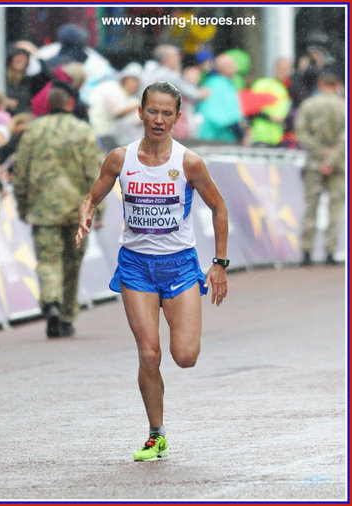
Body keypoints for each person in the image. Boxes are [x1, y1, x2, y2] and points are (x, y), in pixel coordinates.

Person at [75, 81, 229, 461]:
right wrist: (86, 213)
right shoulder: (119, 159)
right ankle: (155, 433)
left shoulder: (188, 162)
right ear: (140, 113)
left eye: (167, 113)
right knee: (149, 355)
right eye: (152, 111)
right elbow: (92, 196)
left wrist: (219, 264)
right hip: (136, 266)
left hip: (179, 266)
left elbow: (220, 209)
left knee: (185, 356)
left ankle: (158, 427)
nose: (158, 120)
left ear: (178, 118)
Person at [12, 81, 103, 338]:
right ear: (70, 103)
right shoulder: (83, 131)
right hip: (77, 210)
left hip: (42, 210)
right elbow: (96, 174)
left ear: (49, 104)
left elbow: (21, 172)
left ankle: (51, 301)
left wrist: (21, 204)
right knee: (72, 263)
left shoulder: (33, 131)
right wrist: (100, 211)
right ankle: (66, 317)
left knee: (48, 260)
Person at [294, 71, 345, 266]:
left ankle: (306, 250)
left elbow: (301, 134)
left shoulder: (308, 105)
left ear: (320, 83)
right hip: (339, 164)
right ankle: (330, 251)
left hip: (314, 164)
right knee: (335, 208)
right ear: (336, 84)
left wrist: (321, 154)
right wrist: (332, 158)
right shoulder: (343, 107)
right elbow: (344, 137)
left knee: (311, 207)